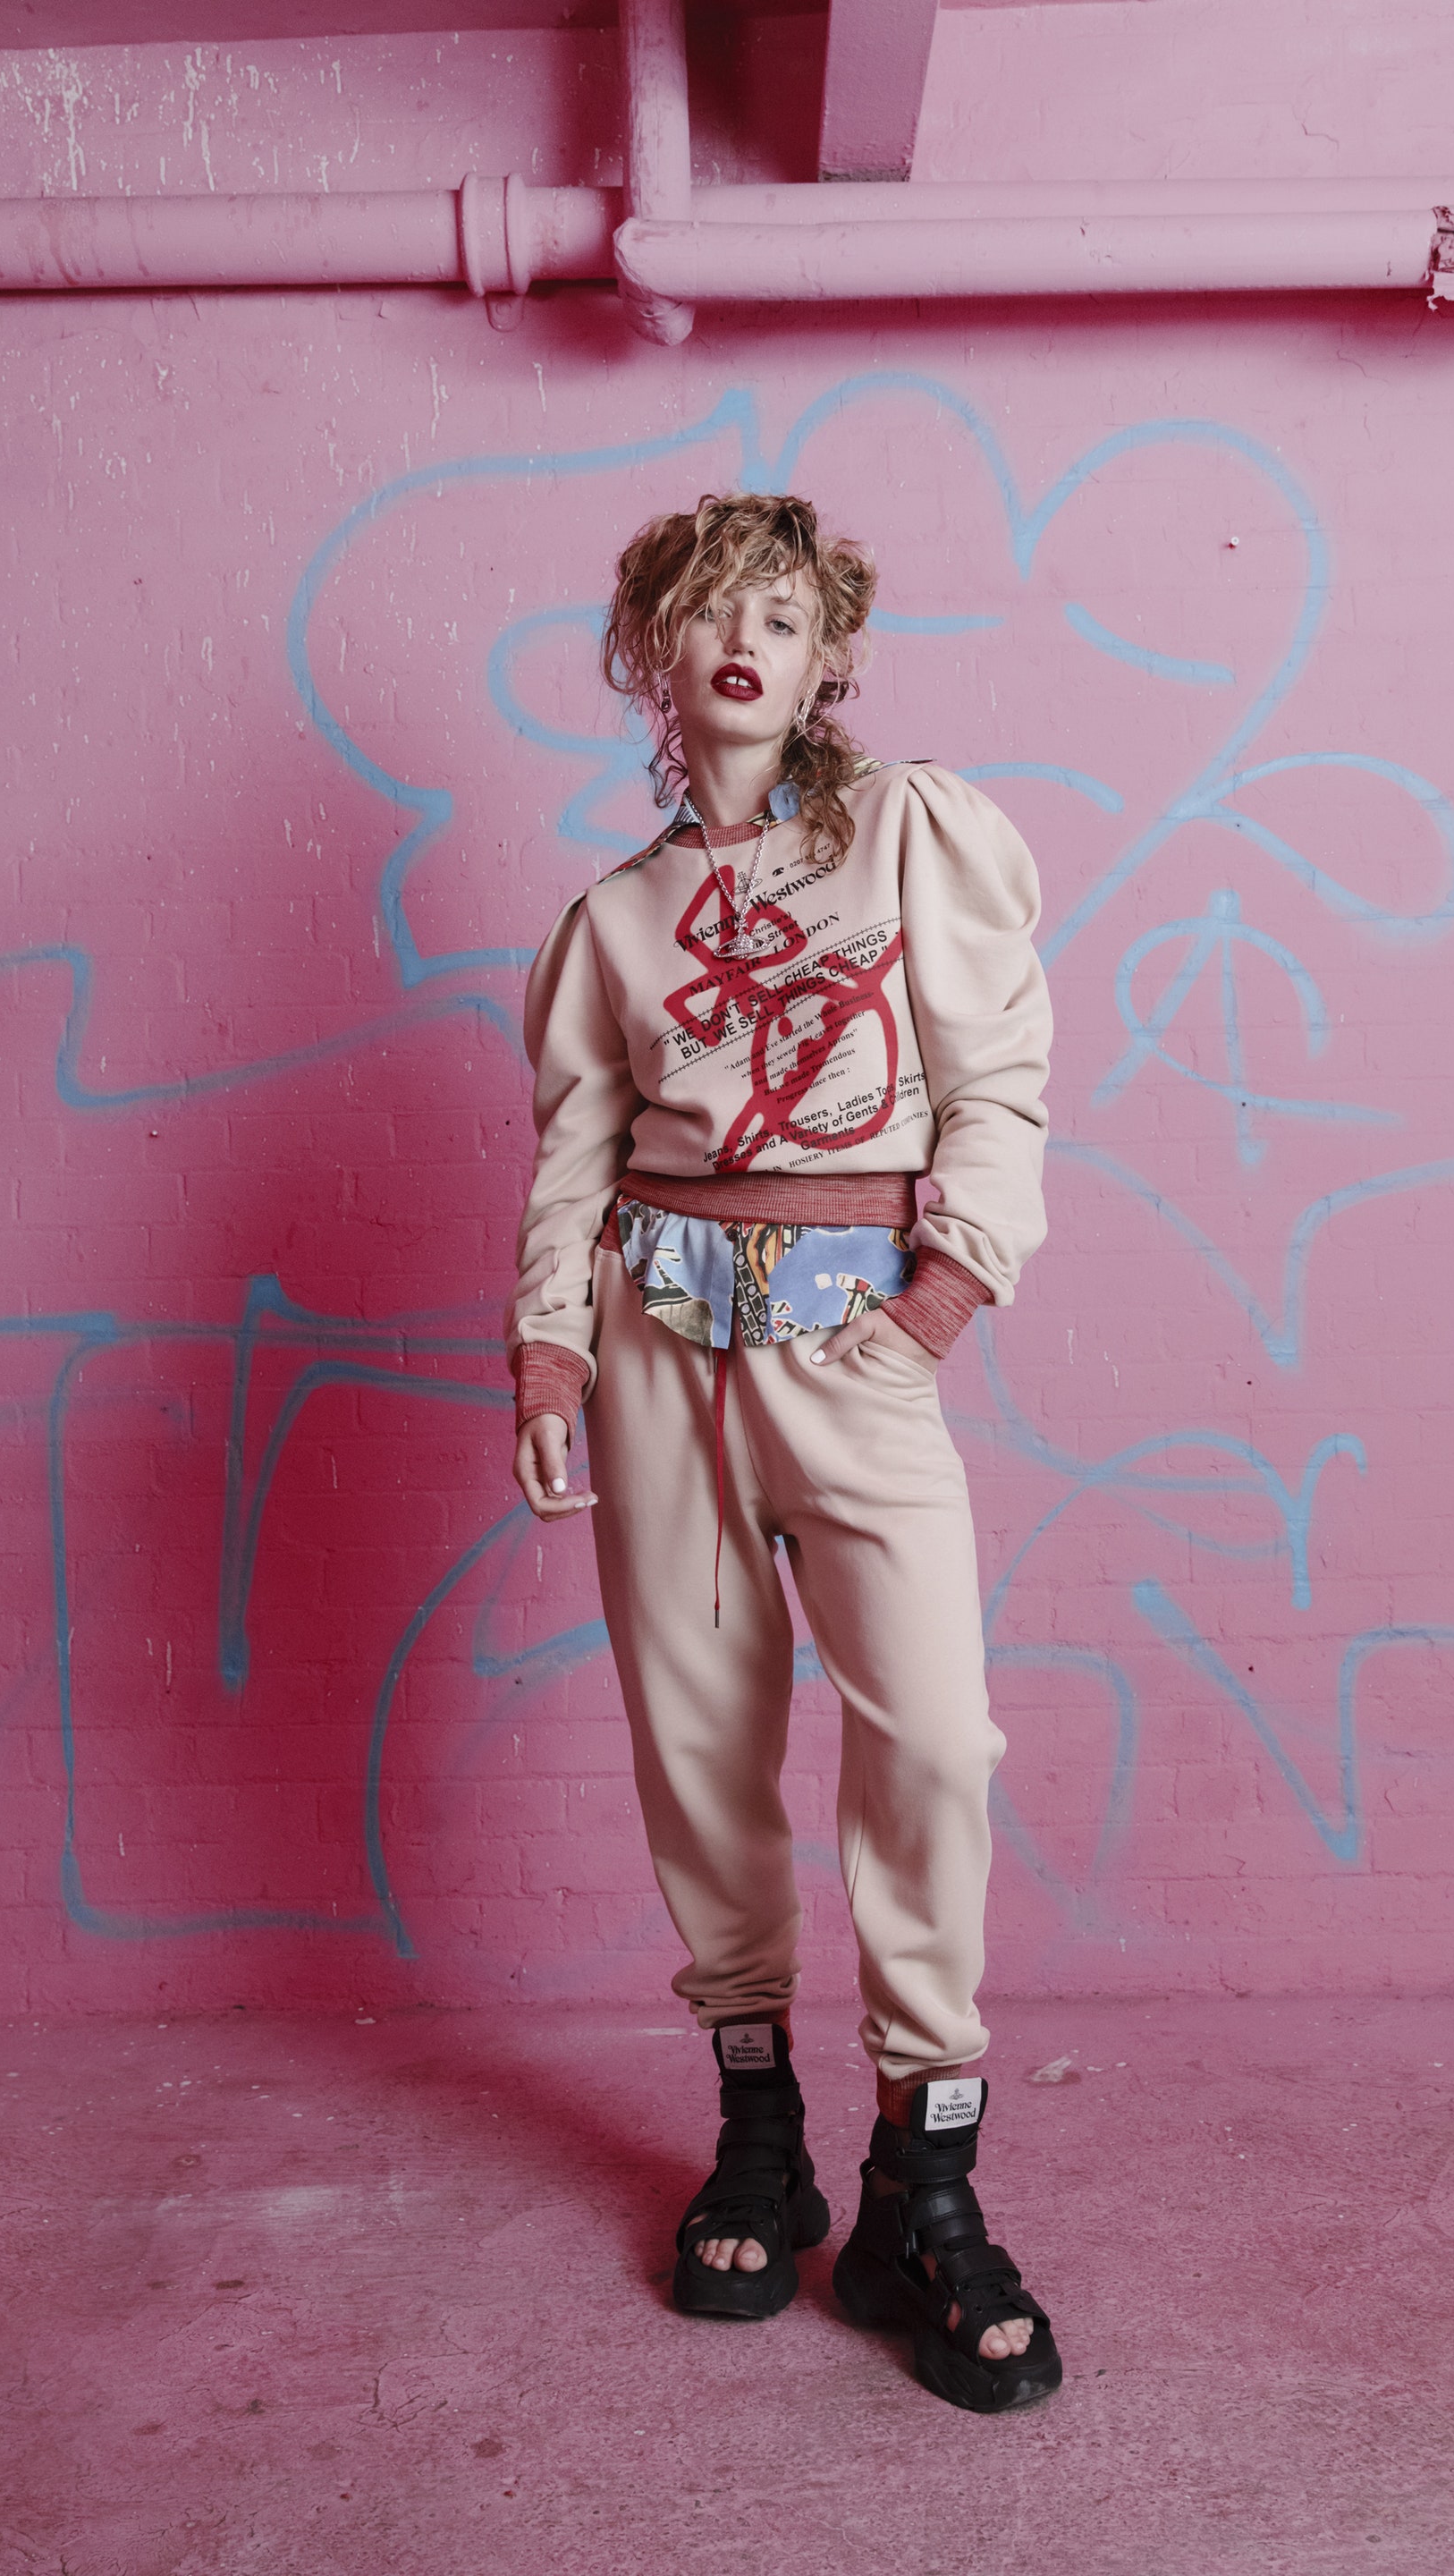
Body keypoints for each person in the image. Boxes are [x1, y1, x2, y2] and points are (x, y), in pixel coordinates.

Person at [506, 491, 1060, 2413]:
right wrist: (551, 1357)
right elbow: (575, 1155)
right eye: (705, 612)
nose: (742, 639)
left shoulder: (910, 830)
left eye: (782, 614)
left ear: (830, 659)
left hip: (855, 1351)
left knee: (937, 1739)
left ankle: (929, 2174)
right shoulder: (614, 919)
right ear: (650, 656)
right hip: (659, 1354)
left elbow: (998, 1078)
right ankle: (762, 2134)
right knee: (697, 1742)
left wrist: (944, 1293)